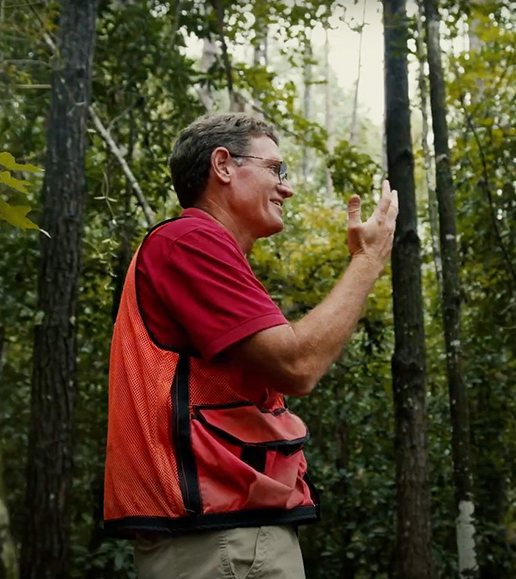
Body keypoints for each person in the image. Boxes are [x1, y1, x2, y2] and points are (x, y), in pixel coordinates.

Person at [103, 112, 397, 579]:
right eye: (276, 170)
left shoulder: (206, 250)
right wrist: (367, 261)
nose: (288, 188)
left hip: (228, 532)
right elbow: (297, 364)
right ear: (223, 165)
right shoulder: (188, 240)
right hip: (220, 539)